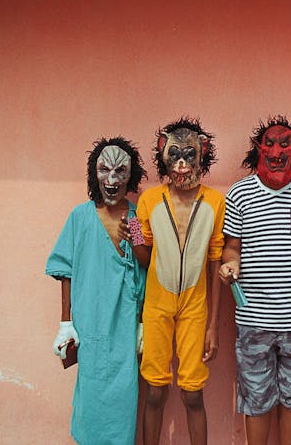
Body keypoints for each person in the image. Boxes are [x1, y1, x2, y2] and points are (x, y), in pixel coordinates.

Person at [219, 115, 291, 445]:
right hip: (253, 318)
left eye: (284, 144)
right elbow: (231, 248)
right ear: (258, 150)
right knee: (256, 397)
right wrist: (229, 266)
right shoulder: (239, 195)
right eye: (270, 144)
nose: (276, 150)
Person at [120, 118, 224, 445]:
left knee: (193, 394)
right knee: (154, 390)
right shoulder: (150, 201)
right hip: (157, 306)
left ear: (203, 151)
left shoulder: (214, 202)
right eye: (174, 154)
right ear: (163, 152)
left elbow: (215, 260)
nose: (181, 163)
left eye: (189, 154)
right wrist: (132, 234)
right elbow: (144, 257)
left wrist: (212, 326)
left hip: (195, 306)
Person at [47, 136, 147, 445]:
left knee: (124, 402)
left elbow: (146, 265)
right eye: (105, 170)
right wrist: (66, 324)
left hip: (125, 328)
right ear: (95, 173)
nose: (113, 179)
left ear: (131, 176)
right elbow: (65, 270)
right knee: (90, 405)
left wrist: (142, 322)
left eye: (120, 171)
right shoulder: (80, 217)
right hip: (89, 328)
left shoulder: (135, 218)